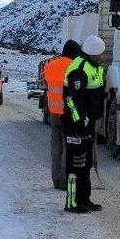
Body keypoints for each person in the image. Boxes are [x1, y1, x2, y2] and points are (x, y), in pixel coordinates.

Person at [62, 35, 106, 213]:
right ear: (94, 53)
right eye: (100, 53)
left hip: (88, 124)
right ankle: (71, 202)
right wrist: (79, 122)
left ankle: (84, 198)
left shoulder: (93, 67)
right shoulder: (79, 69)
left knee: (86, 163)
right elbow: (72, 100)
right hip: (75, 126)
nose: (102, 56)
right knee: (74, 165)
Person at [43, 40, 81, 190]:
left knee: (56, 147)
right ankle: (65, 181)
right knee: (69, 148)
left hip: (54, 112)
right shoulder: (74, 66)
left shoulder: (51, 65)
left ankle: (56, 180)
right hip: (68, 113)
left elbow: (47, 82)